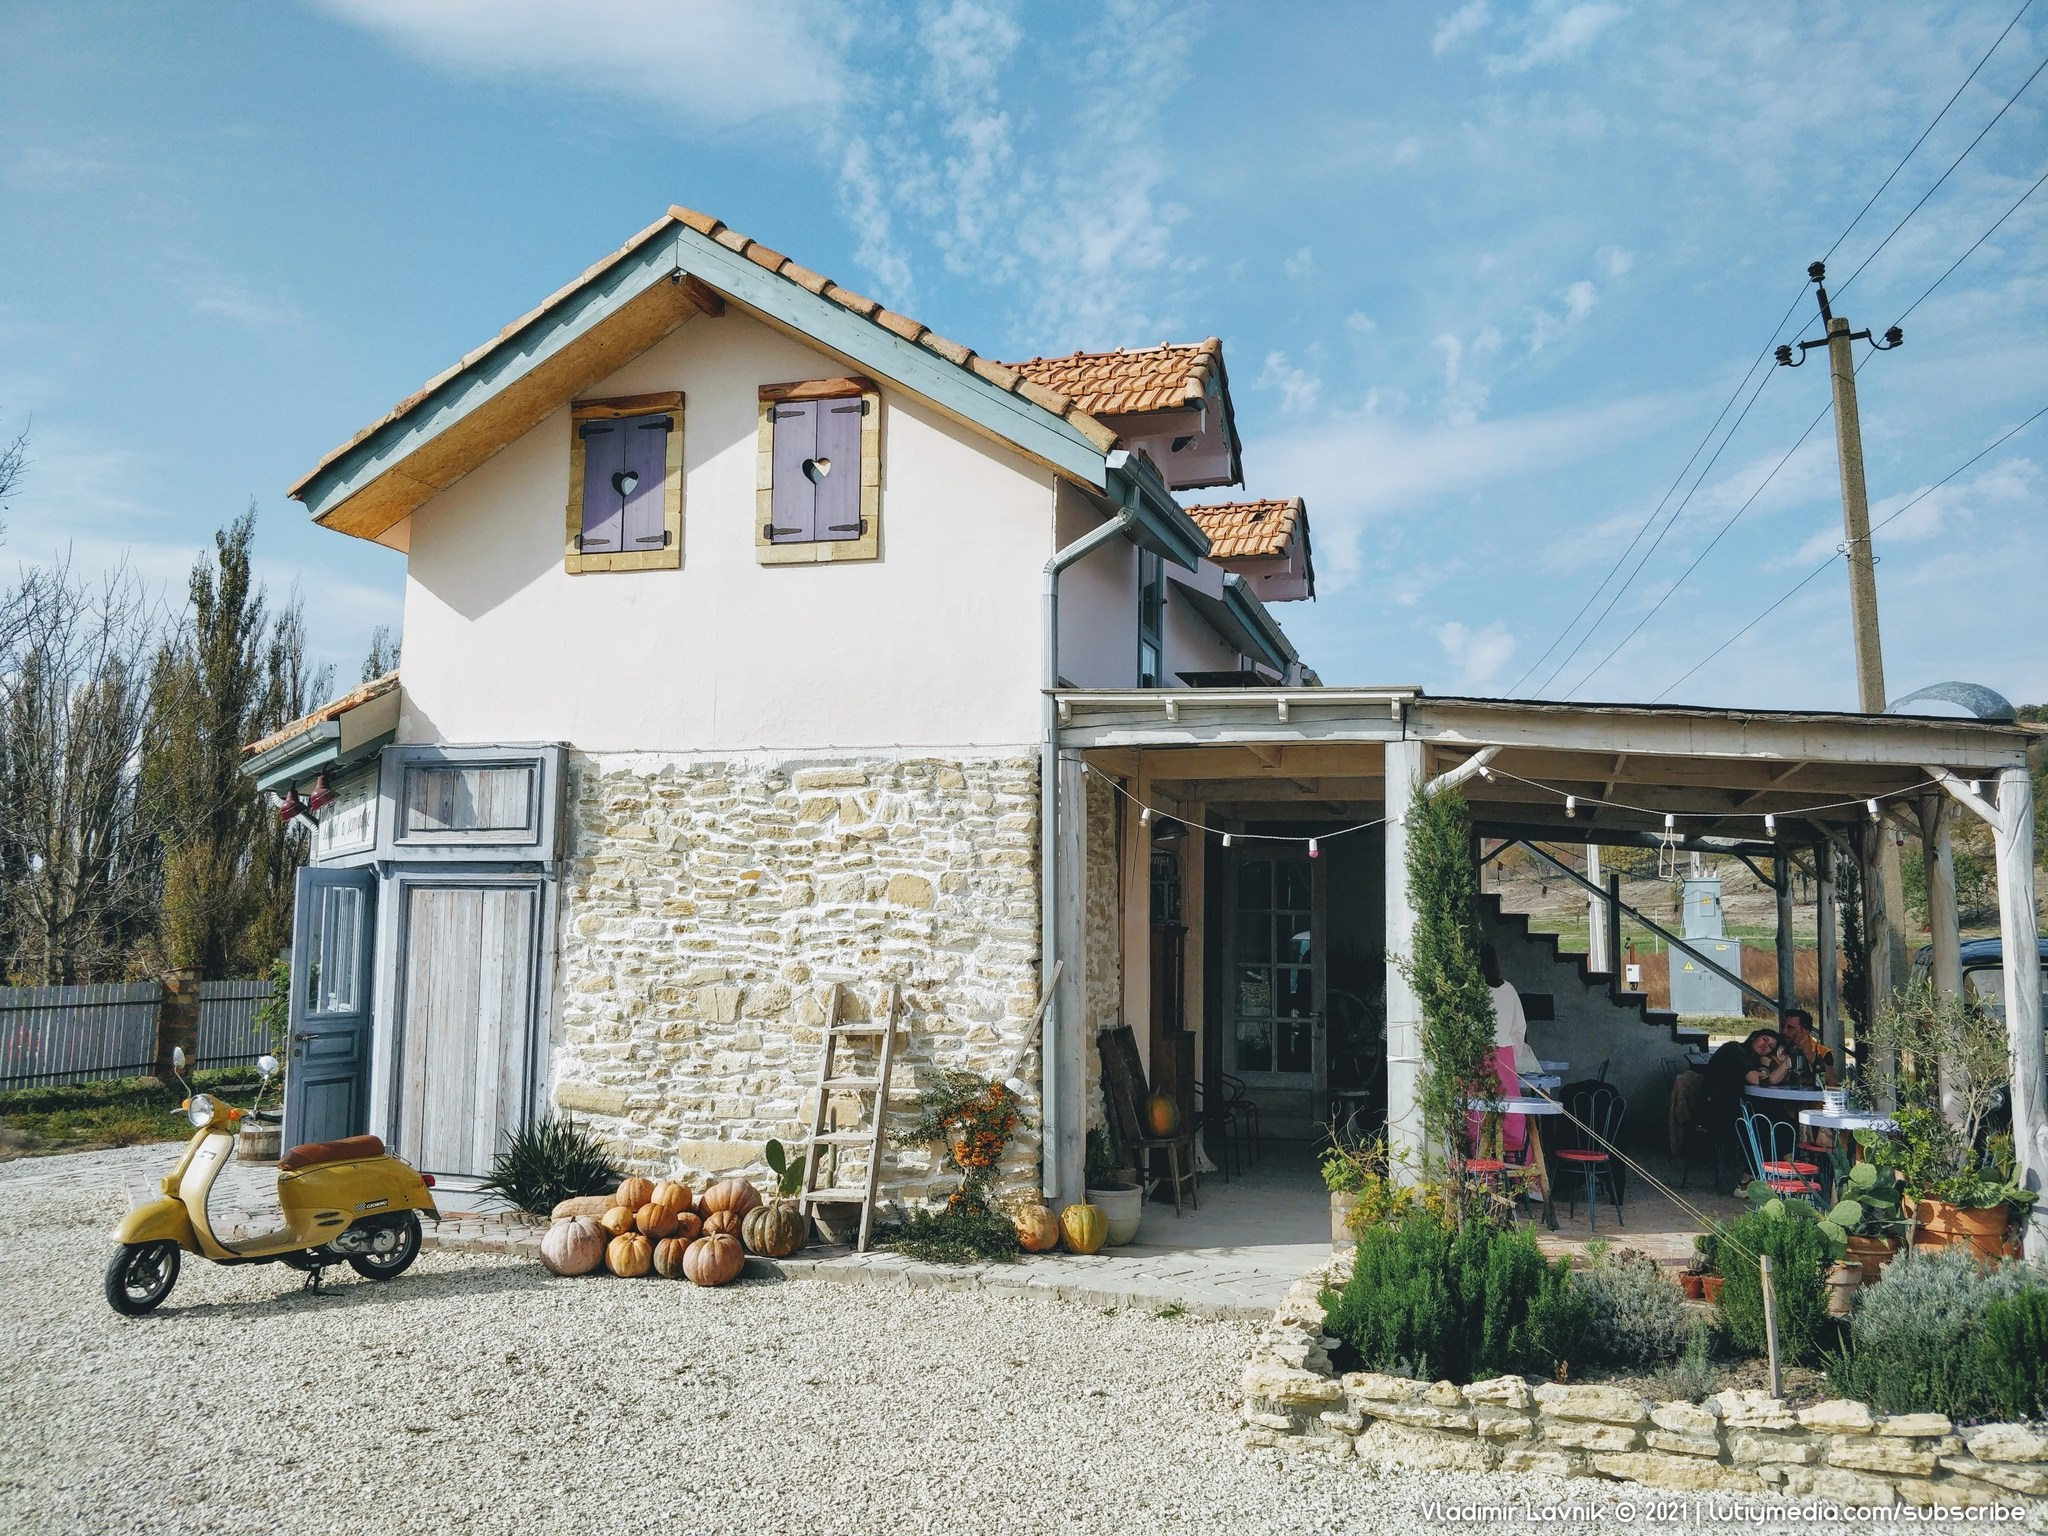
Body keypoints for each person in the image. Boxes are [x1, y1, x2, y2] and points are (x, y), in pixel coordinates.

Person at [1466, 944, 1533, 1161]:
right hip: (1504, 1055)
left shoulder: (1469, 990)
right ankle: (1519, 1168)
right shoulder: (1508, 990)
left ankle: (1483, 1169)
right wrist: (1514, 1057)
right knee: (1511, 1113)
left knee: (1477, 1113)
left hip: (1477, 1054)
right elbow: (1519, 1029)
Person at [1700, 1028, 1784, 1193]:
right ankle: (1747, 1179)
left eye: (1771, 1046)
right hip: (1713, 1113)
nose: (1765, 1046)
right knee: (1759, 1122)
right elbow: (1755, 1079)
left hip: (1732, 1109)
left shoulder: (1750, 1059)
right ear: (1754, 1037)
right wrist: (1765, 1065)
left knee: (1778, 1118)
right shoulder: (1734, 1050)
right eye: (1764, 1039)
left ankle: (1777, 1171)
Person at [1779, 1009, 1835, 1088]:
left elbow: (1831, 1082)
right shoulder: (1778, 1046)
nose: (1784, 1031)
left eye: (1790, 1028)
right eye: (1783, 1027)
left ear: (1804, 1031)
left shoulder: (1823, 1052)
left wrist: (1808, 1053)